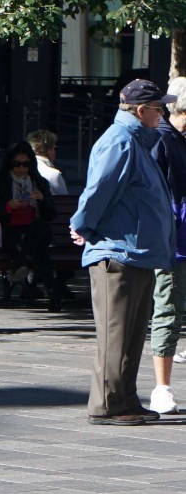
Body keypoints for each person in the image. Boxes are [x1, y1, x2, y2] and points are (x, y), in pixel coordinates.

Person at [70, 79, 178, 427]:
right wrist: (81, 226)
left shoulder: (137, 142)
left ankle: (125, 399)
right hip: (118, 252)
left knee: (131, 335)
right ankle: (106, 404)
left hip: (138, 252)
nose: (163, 113)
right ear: (142, 111)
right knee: (115, 334)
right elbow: (98, 190)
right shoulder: (120, 142)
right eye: (159, 108)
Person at [0, 140, 59, 310]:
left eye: (25, 164)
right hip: (9, 230)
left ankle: (21, 263)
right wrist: (8, 206)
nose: (21, 168)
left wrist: (42, 199)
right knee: (40, 250)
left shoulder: (39, 182)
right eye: (17, 164)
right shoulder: (1, 181)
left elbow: (50, 214)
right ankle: (53, 293)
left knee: (39, 232)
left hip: (32, 228)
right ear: (9, 163)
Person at [147, 96, 186, 419]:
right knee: (168, 308)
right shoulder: (162, 140)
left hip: (177, 237)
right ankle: (161, 388)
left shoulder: (174, 139)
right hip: (174, 241)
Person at [28, 129, 68, 196]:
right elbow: (65, 202)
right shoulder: (54, 174)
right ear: (49, 149)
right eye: (55, 148)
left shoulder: (20, 169)